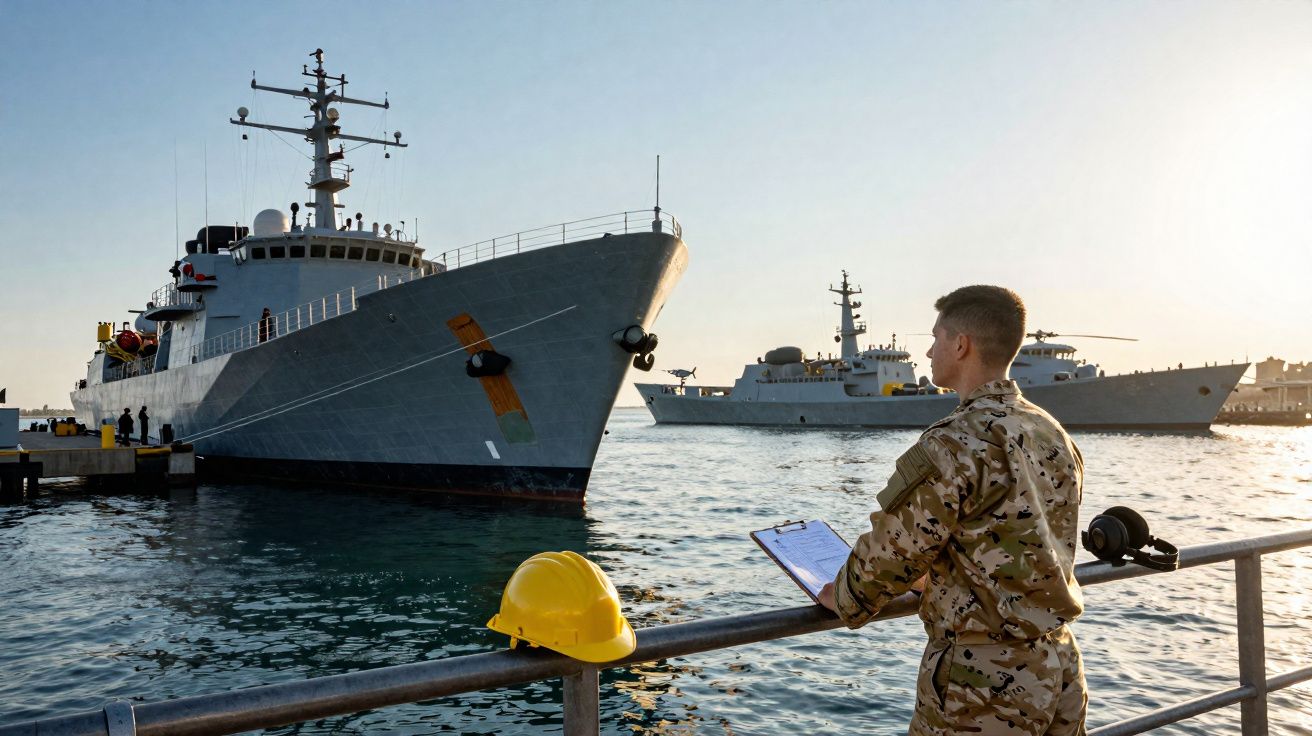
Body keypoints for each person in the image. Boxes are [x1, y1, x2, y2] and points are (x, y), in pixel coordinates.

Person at [818, 285, 1086, 735]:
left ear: (960, 344)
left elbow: (893, 550)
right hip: (1056, 662)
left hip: (983, 682)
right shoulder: (1049, 430)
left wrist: (842, 596)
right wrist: (942, 577)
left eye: (936, 337)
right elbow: (1025, 538)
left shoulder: (953, 440)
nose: (928, 350)